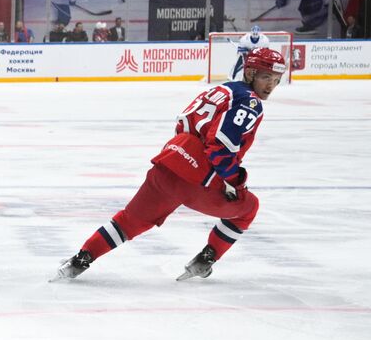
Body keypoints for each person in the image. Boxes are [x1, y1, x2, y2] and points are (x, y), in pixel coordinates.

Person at [54, 47, 285, 283]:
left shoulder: (220, 90)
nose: (270, 85)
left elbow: (183, 124)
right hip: (198, 179)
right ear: (250, 73)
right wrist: (235, 183)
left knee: (129, 221)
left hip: (168, 162)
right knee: (248, 208)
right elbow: (221, 147)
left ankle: (80, 260)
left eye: (276, 80)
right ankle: (205, 259)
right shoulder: (250, 103)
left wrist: (183, 156)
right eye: (266, 77)